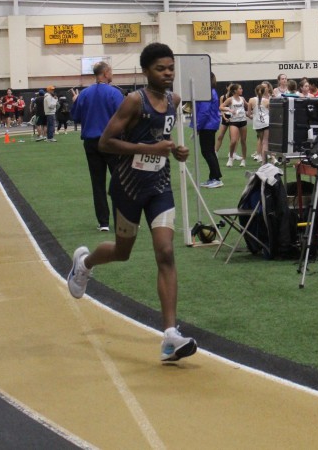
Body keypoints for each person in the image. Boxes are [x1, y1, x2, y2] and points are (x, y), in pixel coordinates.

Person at [67, 42, 198, 364]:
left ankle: (170, 337)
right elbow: (105, 142)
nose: (167, 74)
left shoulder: (174, 101)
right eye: (160, 69)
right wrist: (150, 150)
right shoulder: (133, 102)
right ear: (146, 71)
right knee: (122, 251)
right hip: (128, 187)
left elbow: (162, 140)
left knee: (165, 252)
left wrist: (176, 151)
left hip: (159, 186)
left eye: (171, 68)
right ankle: (84, 264)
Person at [71, 61, 125, 231]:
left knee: (97, 183)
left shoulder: (84, 94)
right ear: (106, 73)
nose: (112, 74)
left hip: (91, 143)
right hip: (112, 142)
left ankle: (103, 222)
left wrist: (76, 101)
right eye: (111, 71)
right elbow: (124, 117)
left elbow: (76, 117)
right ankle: (122, 220)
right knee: (119, 182)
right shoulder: (115, 93)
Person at [194, 72, 223, 189]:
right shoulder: (211, 92)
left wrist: (197, 126)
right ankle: (213, 177)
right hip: (209, 124)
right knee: (209, 152)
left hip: (207, 125)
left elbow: (204, 112)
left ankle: (216, 178)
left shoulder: (208, 93)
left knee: (207, 152)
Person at [220, 83, 248, 167]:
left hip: (243, 121)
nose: (242, 90)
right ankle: (230, 158)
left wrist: (251, 111)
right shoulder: (230, 99)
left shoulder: (242, 99)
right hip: (234, 122)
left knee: (243, 141)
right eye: (240, 88)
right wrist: (229, 110)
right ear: (235, 91)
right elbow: (221, 107)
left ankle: (243, 160)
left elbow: (248, 106)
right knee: (233, 141)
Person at [248, 82, 271, 162]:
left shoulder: (251, 100)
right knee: (265, 142)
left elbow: (249, 114)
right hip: (266, 122)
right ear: (264, 91)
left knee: (261, 141)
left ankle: (261, 157)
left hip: (257, 124)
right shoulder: (267, 101)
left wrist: (253, 116)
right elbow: (270, 112)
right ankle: (264, 161)